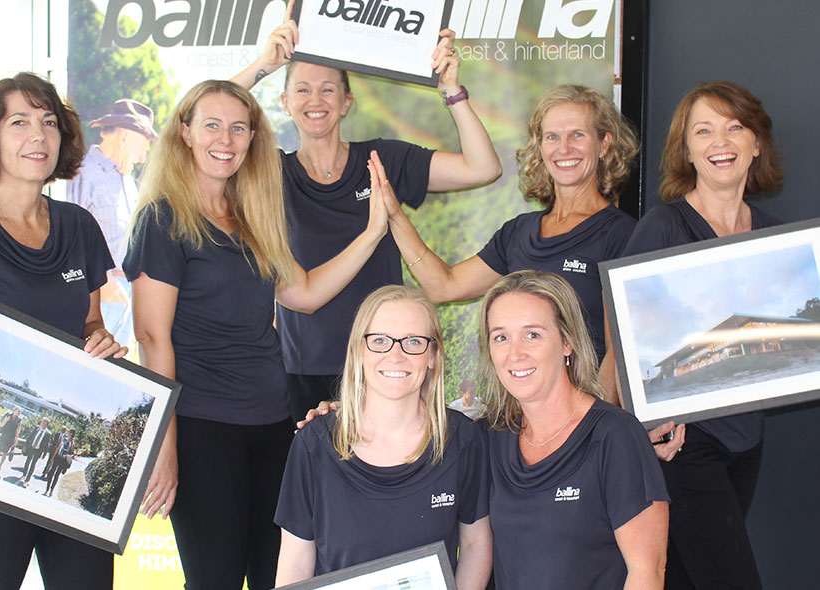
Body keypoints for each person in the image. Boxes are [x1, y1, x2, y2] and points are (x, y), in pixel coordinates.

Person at [125, 80, 390, 590]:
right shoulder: (163, 219)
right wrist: (162, 445)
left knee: (280, 576)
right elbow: (152, 338)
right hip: (201, 423)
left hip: (272, 421)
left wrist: (374, 231)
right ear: (185, 133)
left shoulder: (252, 219)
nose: (226, 138)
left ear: (252, 139)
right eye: (212, 124)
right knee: (215, 579)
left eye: (239, 127)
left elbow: (307, 293)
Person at [232, 5, 502, 420]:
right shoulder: (273, 174)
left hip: (387, 363)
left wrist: (451, 89)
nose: (315, 100)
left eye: (327, 89)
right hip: (304, 370)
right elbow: (201, 125)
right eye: (302, 89)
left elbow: (483, 167)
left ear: (346, 102)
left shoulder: (381, 160)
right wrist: (264, 66)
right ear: (285, 102)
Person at [0, 72, 126, 589]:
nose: (38, 136)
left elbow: (90, 324)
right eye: (19, 122)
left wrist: (102, 343)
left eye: (49, 123)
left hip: (70, 492)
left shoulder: (79, 224)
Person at [614, 81, 784, 590]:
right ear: (686, 150)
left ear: (756, 142)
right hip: (683, 442)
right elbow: (625, 338)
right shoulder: (662, 227)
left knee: (687, 580)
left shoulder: (774, 235)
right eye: (703, 130)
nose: (720, 142)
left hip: (745, 440)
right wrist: (649, 418)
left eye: (735, 127)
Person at [383, 84, 639, 384]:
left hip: (584, 413)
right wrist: (394, 215)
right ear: (540, 146)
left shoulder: (622, 234)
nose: (564, 148)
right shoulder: (519, 231)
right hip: (522, 411)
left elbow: (619, 353)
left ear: (604, 144)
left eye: (577, 135)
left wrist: (600, 424)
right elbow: (444, 287)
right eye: (552, 137)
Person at [274, 284, 492, 588]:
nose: (396, 355)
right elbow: (295, 564)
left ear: (433, 355)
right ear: (358, 351)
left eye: (414, 342)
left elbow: (474, 545)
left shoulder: (463, 441)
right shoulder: (314, 445)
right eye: (380, 340)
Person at [479, 270, 669, 589]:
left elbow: (648, 571)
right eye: (501, 337)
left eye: (532, 335)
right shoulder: (490, 436)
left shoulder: (615, 436)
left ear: (567, 342)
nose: (515, 354)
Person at [68, 99, 156, 348]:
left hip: (125, 293)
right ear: (125, 137)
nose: (143, 156)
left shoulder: (126, 179)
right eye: (143, 146)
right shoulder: (82, 174)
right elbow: (70, 239)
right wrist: (102, 281)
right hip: (97, 296)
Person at [0, 406, 22, 478]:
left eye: (19, 412)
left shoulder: (19, 420)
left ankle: (0, 467)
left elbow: (17, 431)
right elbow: (1, 425)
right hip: (4, 436)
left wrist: (16, 441)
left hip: (10, 438)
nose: (18, 413)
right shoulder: (7, 415)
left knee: (4, 454)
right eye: (18, 411)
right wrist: (6, 420)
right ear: (14, 410)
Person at [44, 429, 75, 498]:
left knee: (57, 475)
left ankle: (52, 490)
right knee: (52, 472)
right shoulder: (63, 439)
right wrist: (52, 457)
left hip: (63, 460)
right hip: (58, 457)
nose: (68, 433)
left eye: (69, 432)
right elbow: (58, 448)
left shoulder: (72, 443)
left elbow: (72, 454)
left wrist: (67, 456)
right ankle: (47, 490)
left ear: (72, 434)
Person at [21, 417, 51, 486]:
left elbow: (46, 445)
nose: (42, 423)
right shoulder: (37, 428)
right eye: (42, 422)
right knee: (28, 461)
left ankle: (27, 480)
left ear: (47, 424)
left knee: (33, 464)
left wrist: (44, 454)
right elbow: (30, 436)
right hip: (31, 447)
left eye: (44, 422)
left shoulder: (48, 433)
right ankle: (24, 475)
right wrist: (25, 446)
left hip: (38, 450)